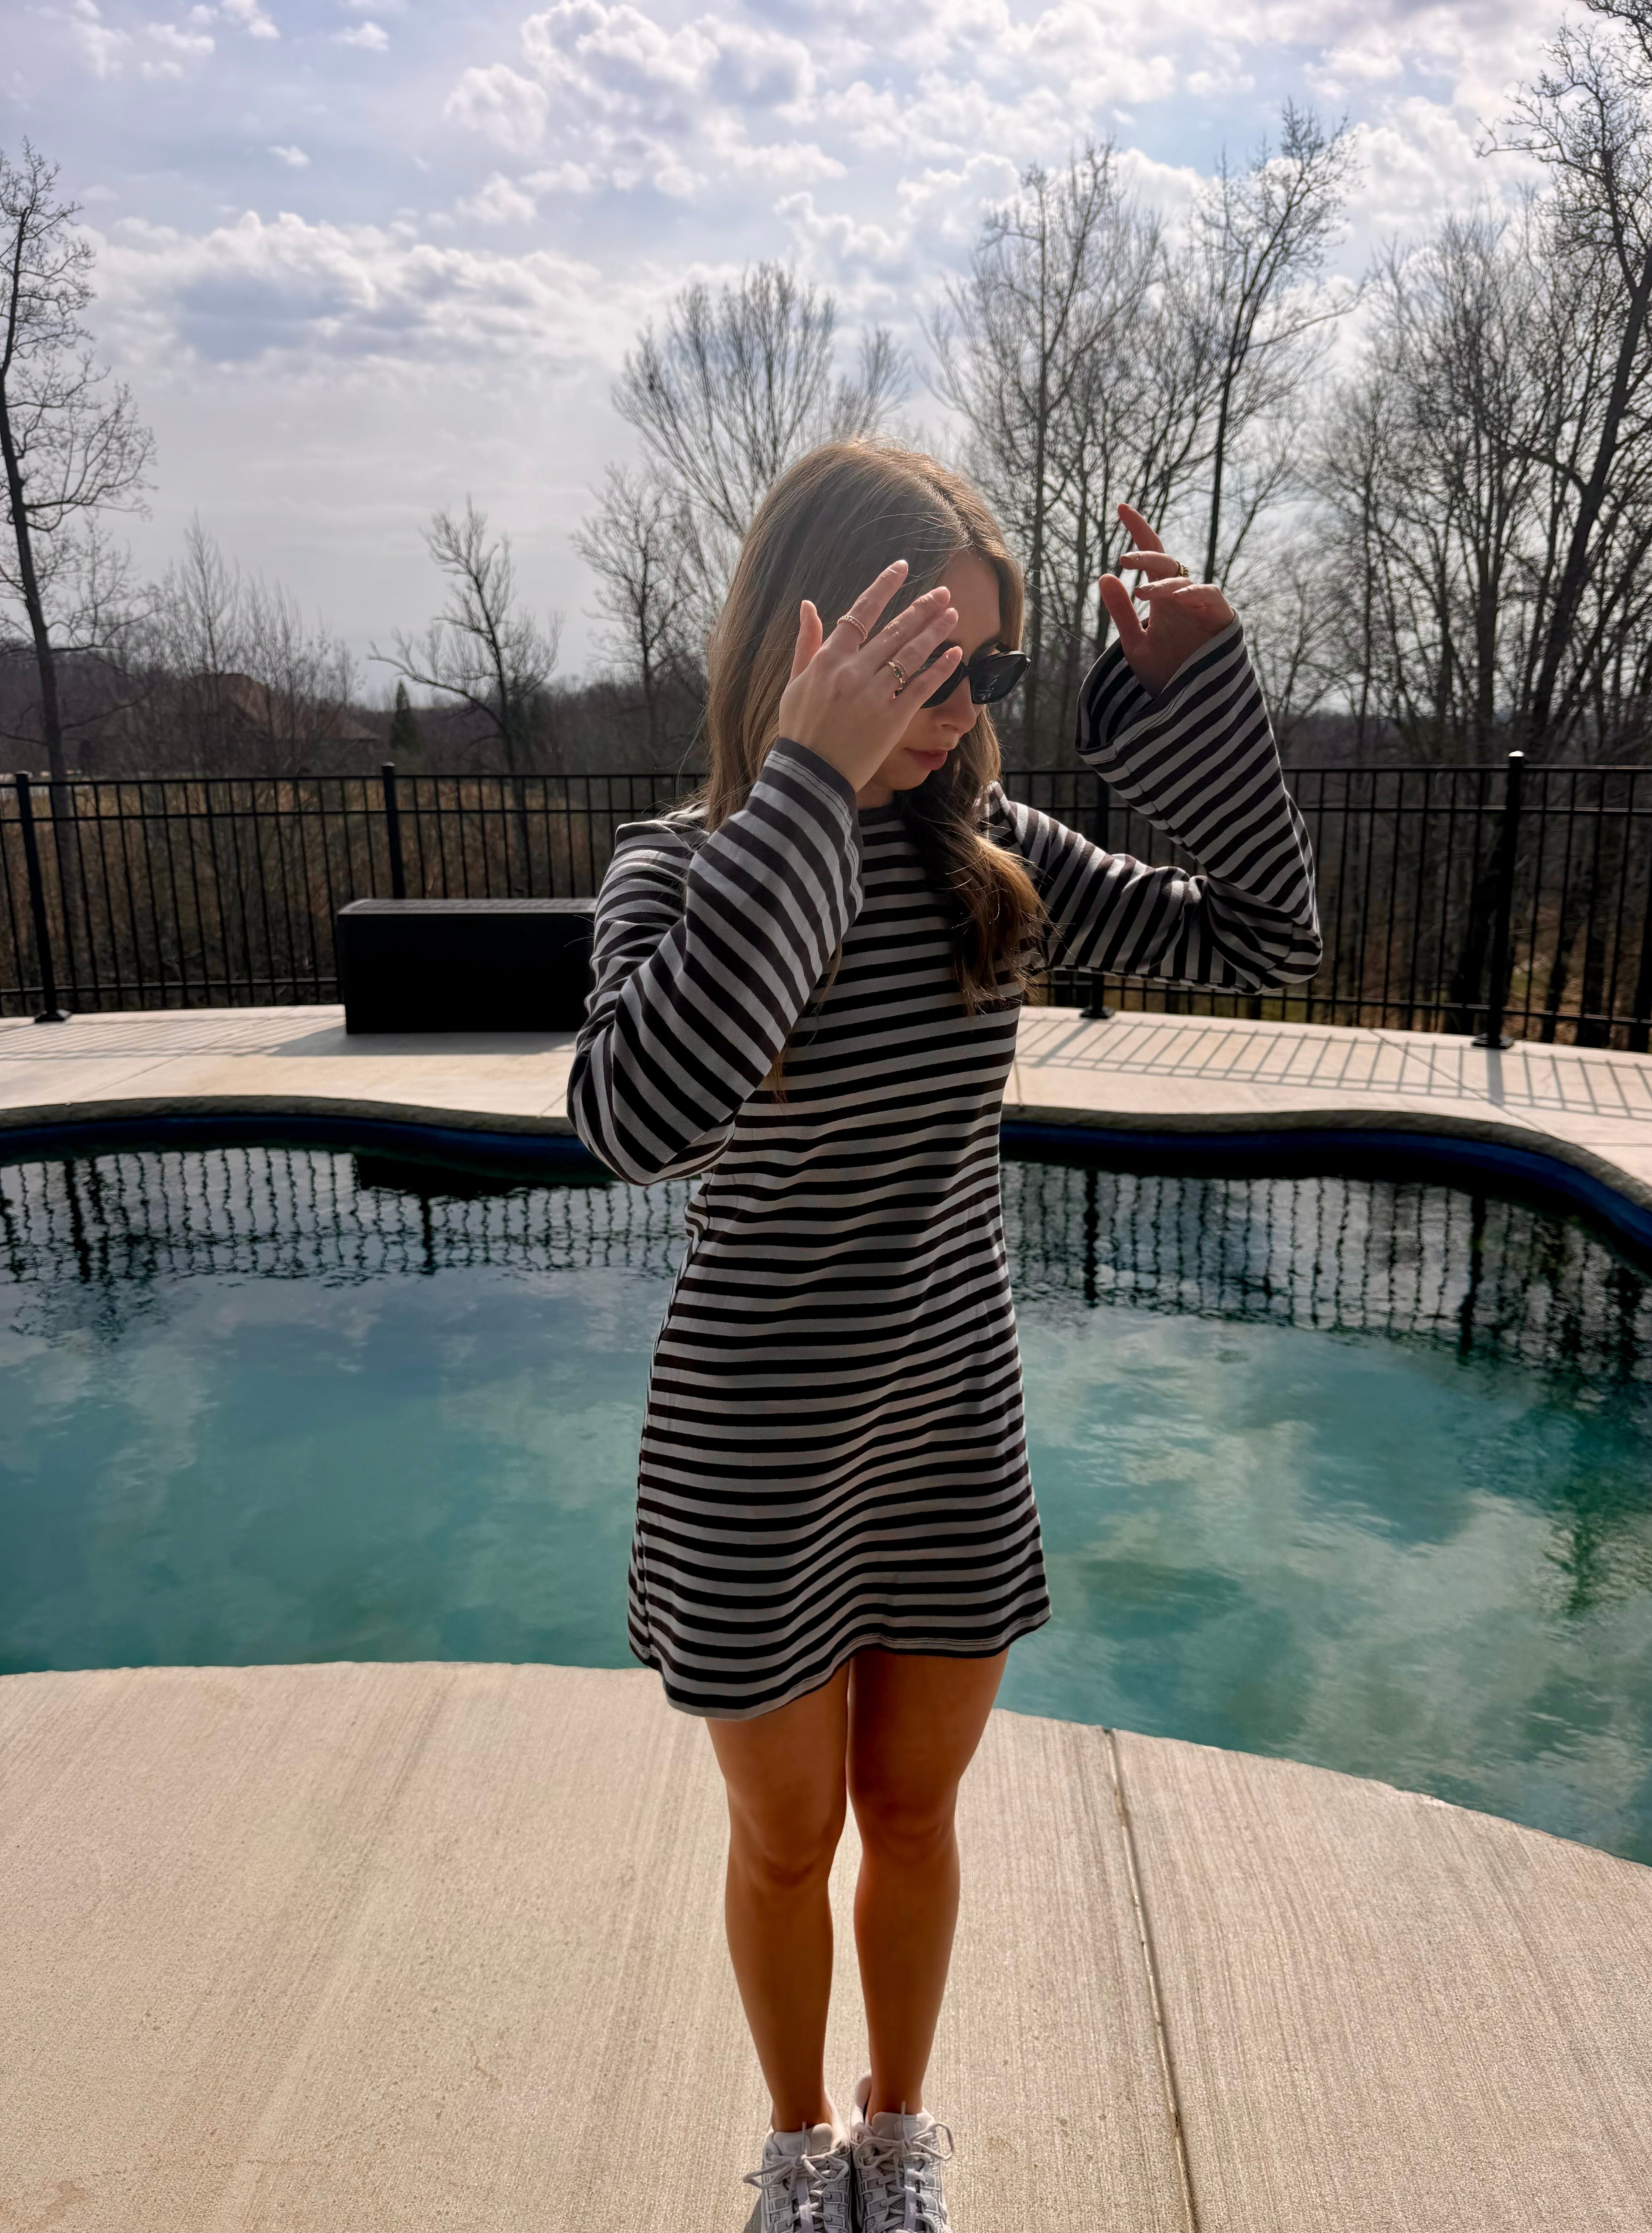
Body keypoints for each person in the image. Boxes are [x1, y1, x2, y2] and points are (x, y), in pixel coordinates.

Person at [567, 441, 1319, 2232]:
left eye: (989, 666)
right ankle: (798, 2143)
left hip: (950, 1430)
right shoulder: (684, 869)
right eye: (926, 663)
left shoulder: (990, 860)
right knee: (784, 1841)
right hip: (755, 1453)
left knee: (911, 1821)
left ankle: (896, 2139)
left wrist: (1200, 694)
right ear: (807, 637)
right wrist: (807, 790)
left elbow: (1270, 944)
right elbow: (636, 1116)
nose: (964, 706)